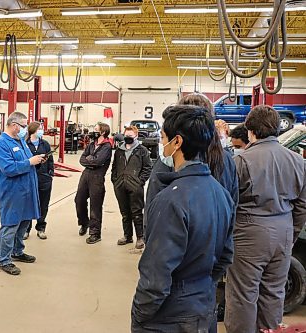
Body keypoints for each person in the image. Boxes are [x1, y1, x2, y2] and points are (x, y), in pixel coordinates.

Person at [131, 105, 235, 333]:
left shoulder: (170, 199)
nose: (161, 144)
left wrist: (140, 314)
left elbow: (156, 277)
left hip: (170, 316)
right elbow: (226, 255)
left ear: (177, 142)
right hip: (203, 306)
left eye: (163, 138)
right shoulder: (221, 194)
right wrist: (201, 287)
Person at [224, 105, 306, 333]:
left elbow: (228, 204)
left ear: (250, 131)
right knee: (274, 293)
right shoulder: (298, 161)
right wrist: (291, 232)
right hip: (284, 231)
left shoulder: (240, 161)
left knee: (243, 294)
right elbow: (302, 205)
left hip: (249, 233)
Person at [0, 112, 45, 275]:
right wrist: (30, 162)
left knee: (23, 223)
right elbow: (8, 168)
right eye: (23, 126)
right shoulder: (1, 145)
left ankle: (17, 251)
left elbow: (27, 161)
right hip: (12, 192)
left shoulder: (20, 141)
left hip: (26, 191)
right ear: (14, 125)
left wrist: (36, 159)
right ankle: (4, 259)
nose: (25, 130)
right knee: (10, 225)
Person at [111, 126, 152, 250]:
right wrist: (115, 180)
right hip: (120, 185)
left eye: (130, 136)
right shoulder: (119, 150)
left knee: (137, 212)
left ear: (136, 136)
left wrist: (140, 181)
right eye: (126, 136)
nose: (128, 138)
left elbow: (147, 168)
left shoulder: (142, 150)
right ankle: (127, 236)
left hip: (135, 186)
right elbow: (114, 167)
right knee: (125, 212)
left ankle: (140, 237)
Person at [75, 122, 113, 244]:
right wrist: (90, 161)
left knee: (95, 205)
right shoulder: (92, 144)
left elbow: (98, 162)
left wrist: (90, 160)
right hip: (85, 175)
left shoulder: (107, 147)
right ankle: (84, 223)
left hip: (97, 177)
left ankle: (95, 233)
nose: (93, 131)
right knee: (79, 200)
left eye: (96, 129)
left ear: (102, 132)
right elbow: (82, 159)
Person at [24, 121, 54, 240]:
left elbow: (50, 159)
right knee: (28, 204)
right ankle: (26, 229)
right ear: (33, 130)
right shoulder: (25, 144)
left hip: (44, 178)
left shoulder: (45, 144)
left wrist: (50, 172)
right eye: (40, 128)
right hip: (29, 178)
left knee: (43, 204)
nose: (41, 130)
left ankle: (41, 228)